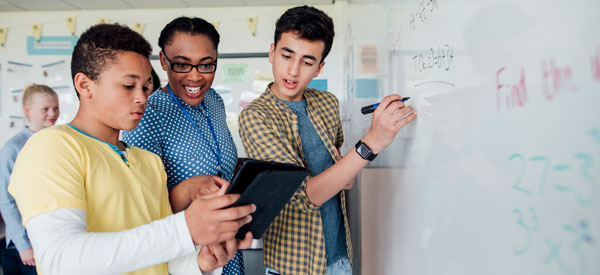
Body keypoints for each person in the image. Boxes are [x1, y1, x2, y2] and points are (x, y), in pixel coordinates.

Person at [9, 23, 255, 275]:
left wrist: (203, 262)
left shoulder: (148, 161)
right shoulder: (52, 147)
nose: (142, 97)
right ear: (85, 85)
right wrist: (186, 228)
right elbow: (60, 260)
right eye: (128, 86)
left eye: (146, 87)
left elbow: (164, 259)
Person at [238, 6, 417, 275]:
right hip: (292, 265)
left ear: (320, 68)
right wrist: (370, 143)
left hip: (339, 256)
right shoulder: (255, 117)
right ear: (272, 52)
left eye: (307, 62)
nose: (293, 70)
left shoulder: (327, 103)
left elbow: (345, 177)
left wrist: (347, 166)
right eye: (287, 56)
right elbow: (305, 196)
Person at [122, 17, 246, 275]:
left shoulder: (214, 100)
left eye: (206, 65)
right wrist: (188, 189)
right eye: (182, 64)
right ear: (164, 61)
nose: (195, 77)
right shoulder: (147, 115)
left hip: (227, 248)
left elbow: (220, 165)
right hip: (185, 258)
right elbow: (140, 211)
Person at [0, 83, 60, 275]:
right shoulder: (14, 148)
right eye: (45, 109)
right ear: (27, 110)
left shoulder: (58, 141)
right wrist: (23, 245)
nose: (52, 113)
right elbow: (6, 200)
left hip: (51, 237)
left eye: (56, 108)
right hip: (24, 244)